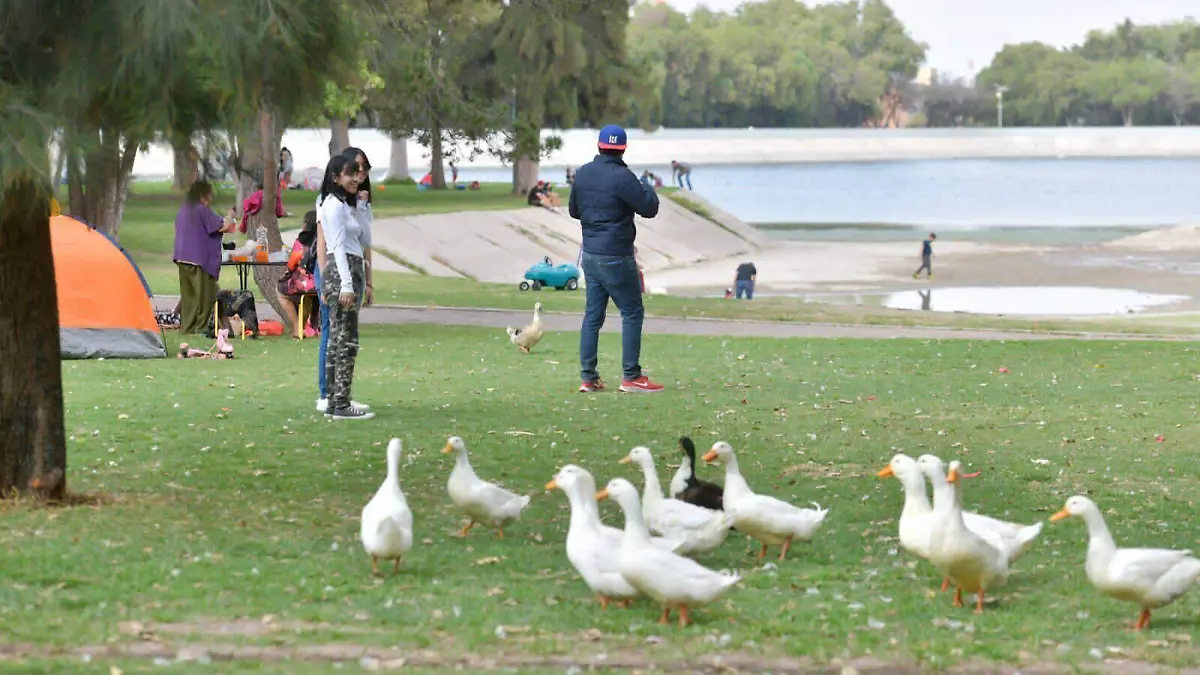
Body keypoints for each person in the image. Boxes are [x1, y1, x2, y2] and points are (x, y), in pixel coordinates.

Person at [569, 124, 663, 394]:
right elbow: (650, 209)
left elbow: (574, 211)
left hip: (590, 255)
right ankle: (631, 376)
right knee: (632, 312)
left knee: (592, 317)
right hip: (617, 255)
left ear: (599, 145)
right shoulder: (624, 177)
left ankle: (588, 378)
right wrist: (645, 185)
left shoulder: (583, 174)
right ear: (623, 148)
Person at [314, 148, 374, 415]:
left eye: (358, 173)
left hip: (350, 267)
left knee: (339, 338)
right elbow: (336, 246)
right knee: (345, 340)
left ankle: (334, 400)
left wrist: (361, 206)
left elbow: (364, 240)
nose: (356, 178)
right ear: (336, 177)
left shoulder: (346, 205)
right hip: (342, 270)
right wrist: (346, 285)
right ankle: (340, 402)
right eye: (350, 174)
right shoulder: (332, 205)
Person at [173, 180, 237, 335]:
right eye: (209, 195)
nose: (210, 198)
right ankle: (201, 328)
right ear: (203, 195)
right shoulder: (201, 210)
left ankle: (187, 328)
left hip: (182, 257)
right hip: (198, 259)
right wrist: (231, 215)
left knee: (189, 296)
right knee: (205, 296)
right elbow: (222, 226)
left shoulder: (184, 209)